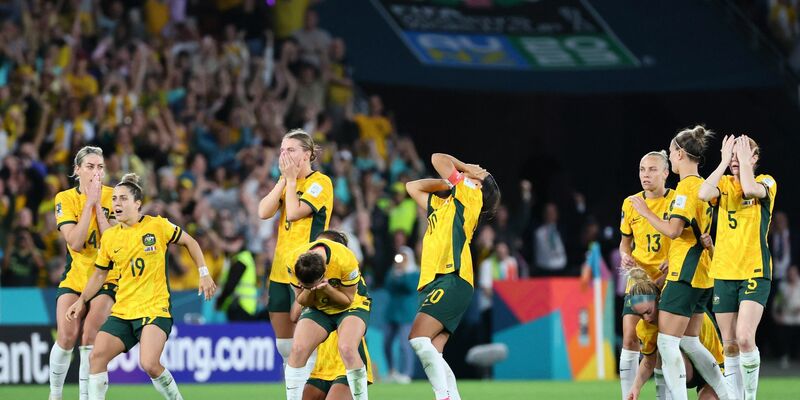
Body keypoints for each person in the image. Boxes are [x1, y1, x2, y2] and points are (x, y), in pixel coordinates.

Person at [65, 173, 216, 400]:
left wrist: (204, 273)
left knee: (149, 364)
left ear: (137, 204)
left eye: (123, 199)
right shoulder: (111, 238)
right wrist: (81, 300)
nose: (116, 204)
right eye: (114, 199)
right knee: (96, 357)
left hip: (154, 309)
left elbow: (189, 241)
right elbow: (99, 275)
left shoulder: (157, 225)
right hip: (123, 312)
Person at [630, 126, 732, 400]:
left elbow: (674, 230)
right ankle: (730, 394)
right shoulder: (705, 186)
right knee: (689, 340)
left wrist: (645, 212)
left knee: (666, 342)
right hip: (703, 274)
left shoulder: (686, 189)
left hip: (684, 273)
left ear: (680, 154)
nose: (671, 158)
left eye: (673, 153)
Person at [405, 153, 501, 400]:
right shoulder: (445, 204)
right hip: (436, 279)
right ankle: (452, 397)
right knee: (434, 351)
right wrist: (447, 183)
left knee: (418, 338)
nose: (477, 166)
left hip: (452, 275)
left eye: (482, 170)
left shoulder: (472, 196)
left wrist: (467, 168)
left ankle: (444, 397)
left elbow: (437, 158)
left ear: (479, 183)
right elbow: (412, 187)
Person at [698, 135, 778, 399]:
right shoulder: (722, 184)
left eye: (743, 154)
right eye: (733, 154)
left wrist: (743, 162)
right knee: (730, 345)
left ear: (755, 158)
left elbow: (752, 190)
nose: (736, 159)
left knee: (744, 338)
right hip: (723, 271)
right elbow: (703, 193)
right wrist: (722, 162)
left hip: (754, 269)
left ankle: (750, 397)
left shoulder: (766, 182)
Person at [258, 129, 333, 372]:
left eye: (290, 149)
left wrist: (290, 181)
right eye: (281, 150)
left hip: (306, 269)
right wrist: (283, 180)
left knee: (304, 343)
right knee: (284, 344)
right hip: (280, 268)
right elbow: (263, 212)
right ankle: (294, 390)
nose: (284, 154)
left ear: (307, 155)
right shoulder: (287, 182)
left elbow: (293, 212)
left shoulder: (320, 183)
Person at [49, 146, 116, 400]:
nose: (96, 172)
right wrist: (88, 202)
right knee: (66, 336)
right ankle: (55, 395)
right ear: (77, 170)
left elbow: (112, 241)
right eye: (90, 167)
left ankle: (85, 397)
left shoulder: (114, 196)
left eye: (100, 167)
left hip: (106, 277)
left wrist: (98, 205)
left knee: (90, 334)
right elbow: (75, 243)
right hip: (76, 276)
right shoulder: (64, 199)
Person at [284, 236, 371, 400]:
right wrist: (310, 290)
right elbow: (300, 301)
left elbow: (347, 300)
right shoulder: (292, 261)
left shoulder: (345, 259)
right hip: (319, 308)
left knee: (347, 348)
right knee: (297, 349)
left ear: (325, 271)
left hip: (350, 306)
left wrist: (327, 289)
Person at [618, 151, 675, 400]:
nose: (645, 175)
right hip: (640, 282)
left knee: (663, 345)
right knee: (630, 338)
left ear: (666, 173)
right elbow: (624, 243)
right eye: (642, 169)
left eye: (652, 169)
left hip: (668, 281)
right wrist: (624, 255)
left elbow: (686, 240)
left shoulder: (677, 201)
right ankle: (627, 396)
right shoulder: (630, 203)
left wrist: (673, 260)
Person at [625, 268, 725, 400]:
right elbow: (649, 361)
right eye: (640, 315)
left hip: (716, 364)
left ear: (659, 300)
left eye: (648, 312)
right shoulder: (644, 327)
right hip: (688, 369)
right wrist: (635, 388)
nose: (647, 319)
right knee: (662, 348)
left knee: (666, 343)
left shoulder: (681, 312)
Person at [384, 245, 420, 383]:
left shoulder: (414, 272)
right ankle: (392, 371)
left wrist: (403, 273)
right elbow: (387, 285)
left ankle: (407, 373)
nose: (401, 260)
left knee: (404, 345)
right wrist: (395, 272)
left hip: (406, 313)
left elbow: (411, 287)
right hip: (392, 312)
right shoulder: (394, 271)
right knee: (386, 342)